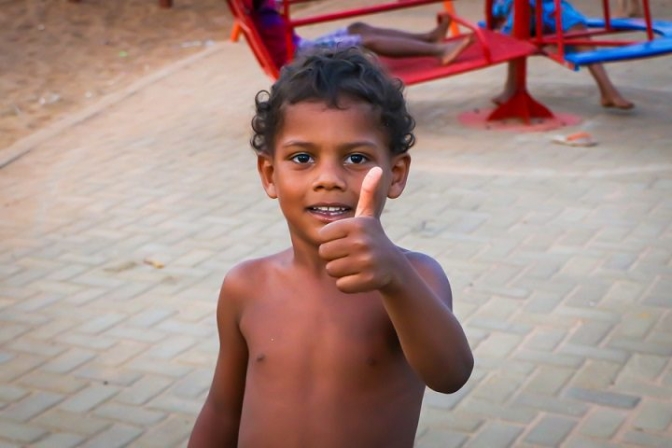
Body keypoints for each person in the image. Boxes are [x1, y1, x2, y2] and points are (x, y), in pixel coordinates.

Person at [188, 48, 474, 447]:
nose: (328, 179)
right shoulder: (246, 286)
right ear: (270, 174)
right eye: (302, 157)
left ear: (395, 174)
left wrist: (395, 280)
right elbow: (222, 409)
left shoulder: (416, 278)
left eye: (355, 158)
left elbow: (451, 375)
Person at [251, 0, 474, 70]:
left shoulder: (264, 8)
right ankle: (440, 51)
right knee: (365, 41)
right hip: (297, 56)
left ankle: (428, 39)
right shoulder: (260, 8)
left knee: (357, 27)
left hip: (300, 45)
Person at [492, 0, 634, 109]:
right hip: (519, 9)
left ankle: (608, 90)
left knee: (575, 27)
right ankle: (511, 87)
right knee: (520, 23)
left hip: (548, 6)